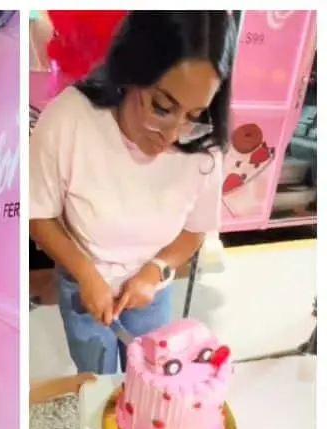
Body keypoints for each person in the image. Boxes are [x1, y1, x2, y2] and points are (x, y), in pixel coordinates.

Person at [29, 11, 233, 373]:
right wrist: (86, 275)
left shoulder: (204, 145)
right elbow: (39, 213)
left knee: (149, 380)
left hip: (149, 291)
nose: (172, 134)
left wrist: (154, 270)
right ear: (131, 72)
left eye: (194, 114)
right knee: (96, 378)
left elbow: (193, 230)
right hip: (84, 285)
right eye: (162, 107)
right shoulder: (71, 119)